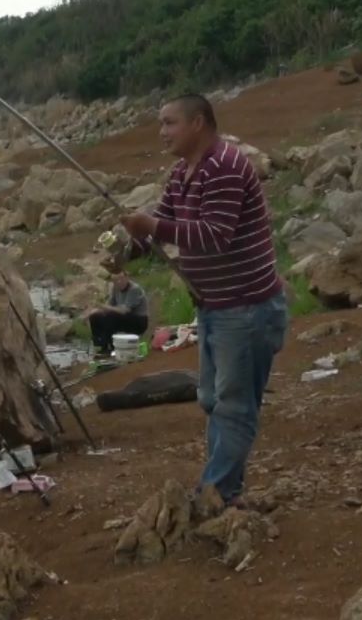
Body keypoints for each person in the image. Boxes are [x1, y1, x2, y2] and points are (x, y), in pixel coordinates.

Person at [115, 92, 287, 505]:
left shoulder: (225, 166)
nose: (162, 133)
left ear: (197, 123)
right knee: (213, 400)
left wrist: (151, 224)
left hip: (246, 309)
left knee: (233, 407)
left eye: (169, 123)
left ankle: (216, 495)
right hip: (214, 308)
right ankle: (225, 490)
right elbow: (166, 227)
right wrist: (127, 250)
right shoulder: (182, 173)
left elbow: (214, 234)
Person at [85, 270, 148, 355]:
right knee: (95, 317)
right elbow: (110, 306)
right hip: (123, 318)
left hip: (139, 320)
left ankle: (111, 346)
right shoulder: (115, 289)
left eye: (121, 279)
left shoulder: (134, 289)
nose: (119, 282)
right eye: (116, 280)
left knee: (111, 316)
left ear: (127, 278)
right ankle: (100, 345)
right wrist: (92, 312)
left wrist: (103, 306)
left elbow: (124, 310)